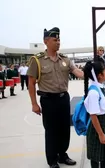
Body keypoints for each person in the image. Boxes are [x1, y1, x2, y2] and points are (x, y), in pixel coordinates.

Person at [26, 27, 84, 168]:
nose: (58, 42)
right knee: (51, 131)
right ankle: (52, 160)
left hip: (64, 99)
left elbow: (76, 71)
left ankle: (62, 155)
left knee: (64, 129)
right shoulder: (37, 60)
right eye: (55, 40)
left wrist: (89, 72)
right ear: (46, 41)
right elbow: (31, 83)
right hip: (48, 100)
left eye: (59, 40)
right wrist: (34, 104)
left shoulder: (64, 59)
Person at [83, 59, 105, 168]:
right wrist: (101, 134)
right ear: (99, 75)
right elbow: (93, 115)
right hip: (97, 127)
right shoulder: (93, 92)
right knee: (96, 155)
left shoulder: (101, 86)